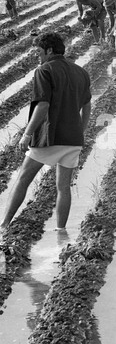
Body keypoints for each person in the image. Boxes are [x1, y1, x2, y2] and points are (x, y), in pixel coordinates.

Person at [0, 32, 91, 234]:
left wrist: (27, 134)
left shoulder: (44, 70)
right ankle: (61, 230)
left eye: (39, 52)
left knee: (24, 177)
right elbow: (87, 106)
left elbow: (42, 105)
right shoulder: (80, 72)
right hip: (73, 139)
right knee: (63, 186)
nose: (37, 56)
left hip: (49, 137)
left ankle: (4, 224)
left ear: (49, 50)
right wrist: (80, 132)